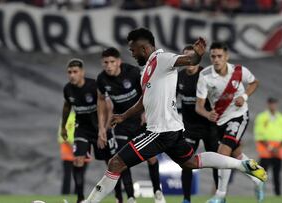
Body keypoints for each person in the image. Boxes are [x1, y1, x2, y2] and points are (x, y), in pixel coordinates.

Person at [82, 27, 267, 203]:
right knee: (192, 162)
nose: (131, 54)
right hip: (171, 130)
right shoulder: (146, 70)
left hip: (159, 132)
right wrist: (123, 116)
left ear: (144, 48)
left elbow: (189, 61)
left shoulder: (162, 59)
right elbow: (143, 101)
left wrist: (197, 55)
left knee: (115, 163)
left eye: (133, 50)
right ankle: (242, 165)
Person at [195, 42, 264, 203]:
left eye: (220, 56)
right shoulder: (205, 76)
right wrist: (207, 114)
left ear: (227, 57)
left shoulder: (239, 71)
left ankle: (221, 195)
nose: (216, 60)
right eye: (213, 56)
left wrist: (244, 97)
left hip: (239, 116)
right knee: (237, 155)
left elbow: (255, 82)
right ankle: (257, 179)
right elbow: (199, 106)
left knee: (223, 152)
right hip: (219, 121)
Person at [96, 47, 165, 203]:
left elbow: (149, 90)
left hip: (141, 120)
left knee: (152, 158)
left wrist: (145, 111)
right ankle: (131, 198)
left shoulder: (133, 72)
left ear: (119, 62)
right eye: (105, 62)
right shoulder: (102, 79)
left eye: (112, 62)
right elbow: (100, 101)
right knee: (122, 160)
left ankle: (158, 193)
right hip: (121, 122)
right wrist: (101, 128)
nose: (109, 65)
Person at [61, 59, 116, 203]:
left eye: (75, 72)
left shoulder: (94, 86)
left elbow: (108, 106)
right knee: (78, 160)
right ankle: (80, 199)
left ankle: (119, 197)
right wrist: (63, 127)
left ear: (82, 73)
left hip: (100, 129)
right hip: (82, 129)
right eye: (69, 72)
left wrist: (105, 127)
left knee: (111, 163)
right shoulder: (67, 89)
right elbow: (67, 107)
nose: (72, 75)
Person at [177, 45, 219, 203]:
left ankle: (219, 196)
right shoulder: (179, 77)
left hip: (209, 127)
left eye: (191, 56)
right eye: (185, 57)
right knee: (186, 162)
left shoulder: (206, 75)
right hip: (189, 128)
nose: (188, 60)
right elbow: (171, 100)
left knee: (216, 162)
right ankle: (186, 199)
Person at [254, 97, 282, 196]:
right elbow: (259, 134)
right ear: (268, 104)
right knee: (261, 174)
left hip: (278, 151)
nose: (273, 106)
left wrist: (277, 148)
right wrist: (271, 147)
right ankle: (259, 194)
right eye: (271, 104)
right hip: (265, 150)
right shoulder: (262, 117)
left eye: (275, 104)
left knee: (276, 175)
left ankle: (277, 196)